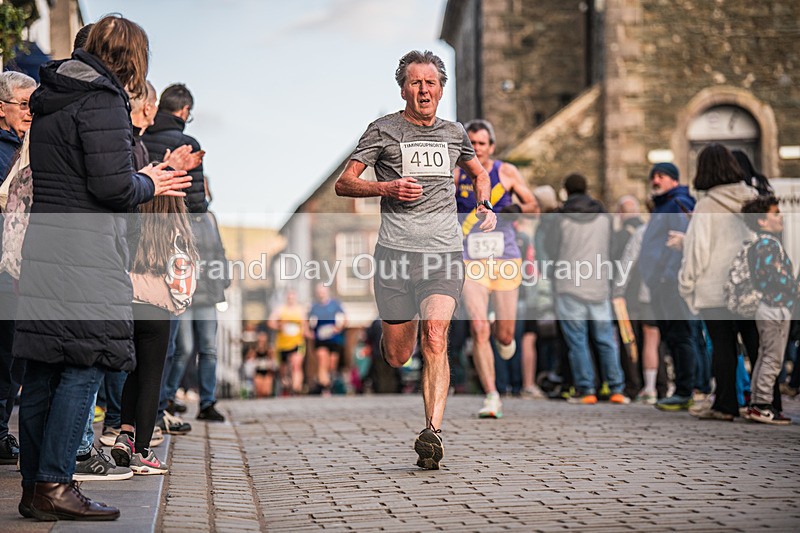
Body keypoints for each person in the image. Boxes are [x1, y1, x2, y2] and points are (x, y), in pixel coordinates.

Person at [13, 15, 190, 521]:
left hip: (47, 245)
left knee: (46, 365)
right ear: (130, 57)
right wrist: (150, 182)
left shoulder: (52, 97)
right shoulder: (104, 100)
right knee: (84, 362)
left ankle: (34, 487)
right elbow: (112, 186)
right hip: (85, 252)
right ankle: (56, 483)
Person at [335, 50, 496, 470]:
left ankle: (433, 431)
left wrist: (484, 204)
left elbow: (480, 173)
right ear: (403, 88)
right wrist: (387, 189)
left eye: (430, 83)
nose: (423, 90)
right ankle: (403, 366)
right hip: (395, 258)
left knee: (437, 337)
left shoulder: (454, 132)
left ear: (441, 89)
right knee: (398, 354)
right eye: (415, 82)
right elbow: (345, 183)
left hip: (443, 253)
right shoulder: (382, 130)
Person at [455, 118, 538, 418]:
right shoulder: (457, 173)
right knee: (479, 327)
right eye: (471, 143)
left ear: (491, 146)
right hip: (470, 258)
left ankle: (504, 341)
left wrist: (517, 209)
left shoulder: (506, 172)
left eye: (481, 143)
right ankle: (492, 395)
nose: (476, 148)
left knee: (504, 334)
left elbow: (534, 206)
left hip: (505, 258)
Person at [679, 143, 760, 421]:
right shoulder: (753, 197)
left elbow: (697, 250)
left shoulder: (706, 205)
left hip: (715, 288)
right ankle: (766, 403)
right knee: (756, 344)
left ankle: (725, 404)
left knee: (723, 348)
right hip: (750, 286)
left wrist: (686, 283)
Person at [544, 174, 628, 405]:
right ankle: (616, 389)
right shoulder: (603, 216)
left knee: (577, 342)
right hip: (599, 283)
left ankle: (587, 389)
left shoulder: (560, 218)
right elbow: (614, 247)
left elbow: (551, 248)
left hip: (569, 284)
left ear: (566, 191)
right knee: (606, 340)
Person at [165, 184, 230, 422]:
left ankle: (207, 403)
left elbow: (219, 252)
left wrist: (224, 278)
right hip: (185, 294)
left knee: (209, 350)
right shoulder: (179, 216)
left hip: (209, 296)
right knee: (183, 349)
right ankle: (168, 398)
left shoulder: (211, 219)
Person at [638, 162, 699, 411]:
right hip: (658, 282)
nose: (655, 179)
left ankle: (686, 390)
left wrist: (668, 274)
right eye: (653, 175)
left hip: (670, 281)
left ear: (674, 180)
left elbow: (680, 242)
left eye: (661, 176)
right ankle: (681, 390)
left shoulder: (677, 202)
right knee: (671, 336)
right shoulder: (662, 205)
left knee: (680, 335)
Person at [0, 71, 35, 466]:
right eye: (24, 104)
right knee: (5, 358)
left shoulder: (25, 145)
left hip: (19, 270)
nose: (30, 112)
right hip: (4, 270)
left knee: (14, 359)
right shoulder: (6, 150)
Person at [740, 196, 796, 425]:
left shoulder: (763, 243)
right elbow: (775, 275)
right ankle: (762, 404)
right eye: (775, 213)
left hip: (769, 307)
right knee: (773, 358)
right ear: (761, 221)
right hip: (775, 307)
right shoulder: (767, 244)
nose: (780, 216)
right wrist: (795, 287)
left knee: (765, 356)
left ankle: (757, 401)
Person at [307, 283, 347, 395]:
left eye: (323, 291)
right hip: (320, 339)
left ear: (327, 291)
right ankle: (325, 386)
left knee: (332, 364)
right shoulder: (314, 307)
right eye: (319, 291)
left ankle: (330, 382)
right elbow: (306, 321)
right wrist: (309, 332)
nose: (321, 293)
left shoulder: (335, 304)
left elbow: (344, 318)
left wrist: (338, 328)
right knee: (322, 360)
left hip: (334, 339)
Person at [268, 289, 307, 395]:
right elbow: (270, 323)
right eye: (289, 298)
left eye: (293, 297)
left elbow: (304, 325)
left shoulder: (300, 310)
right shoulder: (280, 310)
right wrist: (278, 326)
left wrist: (305, 332)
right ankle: (286, 382)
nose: (291, 300)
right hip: (282, 344)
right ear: (286, 298)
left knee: (296, 365)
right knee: (283, 369)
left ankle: (296, 388)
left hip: (297, 342)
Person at [246, 327, 277, 397]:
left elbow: (274, 362)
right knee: (259, 392)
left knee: (266, 392)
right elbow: (249, 362)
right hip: (258, 373)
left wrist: (269, 364)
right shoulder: (253, 351)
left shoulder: (269, 350)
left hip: (267, 373)